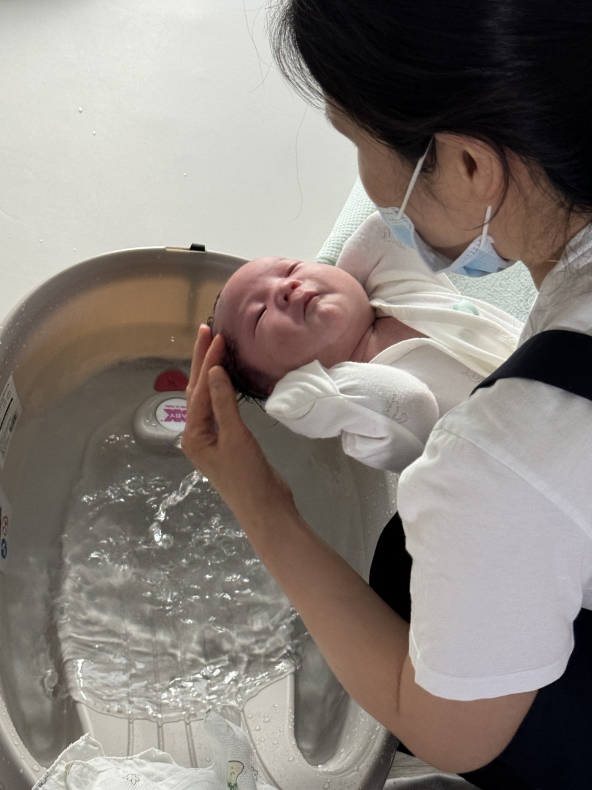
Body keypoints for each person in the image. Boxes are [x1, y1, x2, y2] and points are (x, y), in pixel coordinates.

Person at [181, 2, 592, 788]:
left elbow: (453, 736)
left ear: (469, 165)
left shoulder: (494, 458)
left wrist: (258, 500)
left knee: (401, 573)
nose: (370, 195)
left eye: (355, 143)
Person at [211, 211, 522, 472]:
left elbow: (387, 226)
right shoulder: (362, 419)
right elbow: (410, 402)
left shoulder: (394, 285)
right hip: (529, 453)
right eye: (260, 315)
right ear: (280, 385)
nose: (286, 287)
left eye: (291, 268)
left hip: (546, 355)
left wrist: (348, 279)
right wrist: (300, 391)